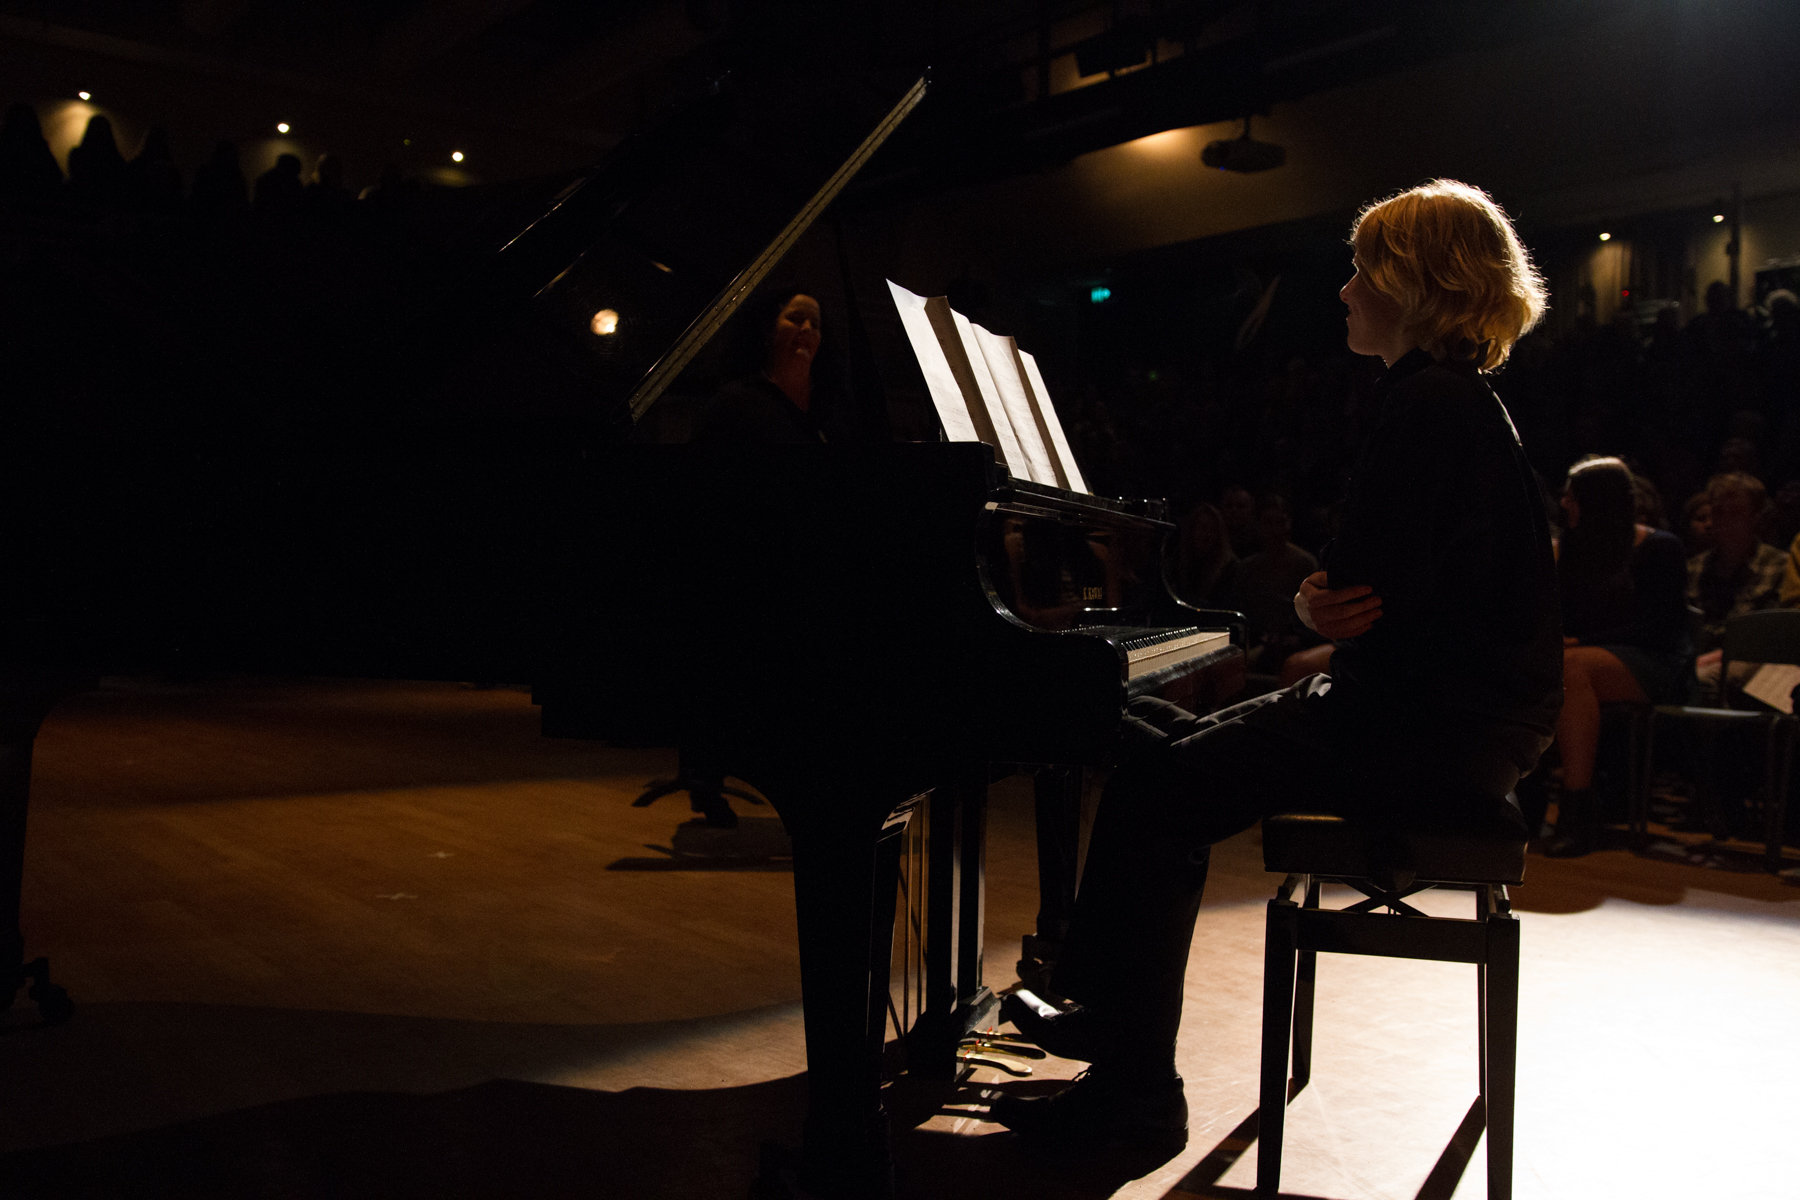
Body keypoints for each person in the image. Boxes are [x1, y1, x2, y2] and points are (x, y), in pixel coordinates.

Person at [993, 180, 1561, 1148]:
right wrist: (1325, 605)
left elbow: (1354, 590)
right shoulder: (1461, 400)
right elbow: (1382, 592)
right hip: (1456, 721)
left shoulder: (1426, 402)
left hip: (1426, 729)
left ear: (1413, 282)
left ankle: (1133, 1093)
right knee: (1150, 746)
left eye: (1361, 270)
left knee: (1155, 788)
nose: (1344, 290)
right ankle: (1109, 1019)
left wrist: (1305, 605)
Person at [1538, 457, 1689, 856]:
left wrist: (1580, 643)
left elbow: (1659, 629)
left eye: (1572, 497)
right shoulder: (1571, 552)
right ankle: (1524, 800)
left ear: (1597, 501)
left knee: (1572, 668)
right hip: (1587, 658)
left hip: (1654, 661)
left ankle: (1575, 810)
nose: (1564, 504)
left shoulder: (1660, 549)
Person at [1689, 472, 1783, 703]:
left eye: (1735, 512)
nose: (1723, 520)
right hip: (1697, 655)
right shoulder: (1694, 568)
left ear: (1755, 518)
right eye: (1718, 511)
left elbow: (1770, 638)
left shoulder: (1777, 566)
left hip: (1753, 659)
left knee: (1702, 680)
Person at [691, 289, 826, 444]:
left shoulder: (829, 404)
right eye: (795, 319)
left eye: (815, 324)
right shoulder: (733, 406)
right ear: (769, 329)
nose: (807, 328)